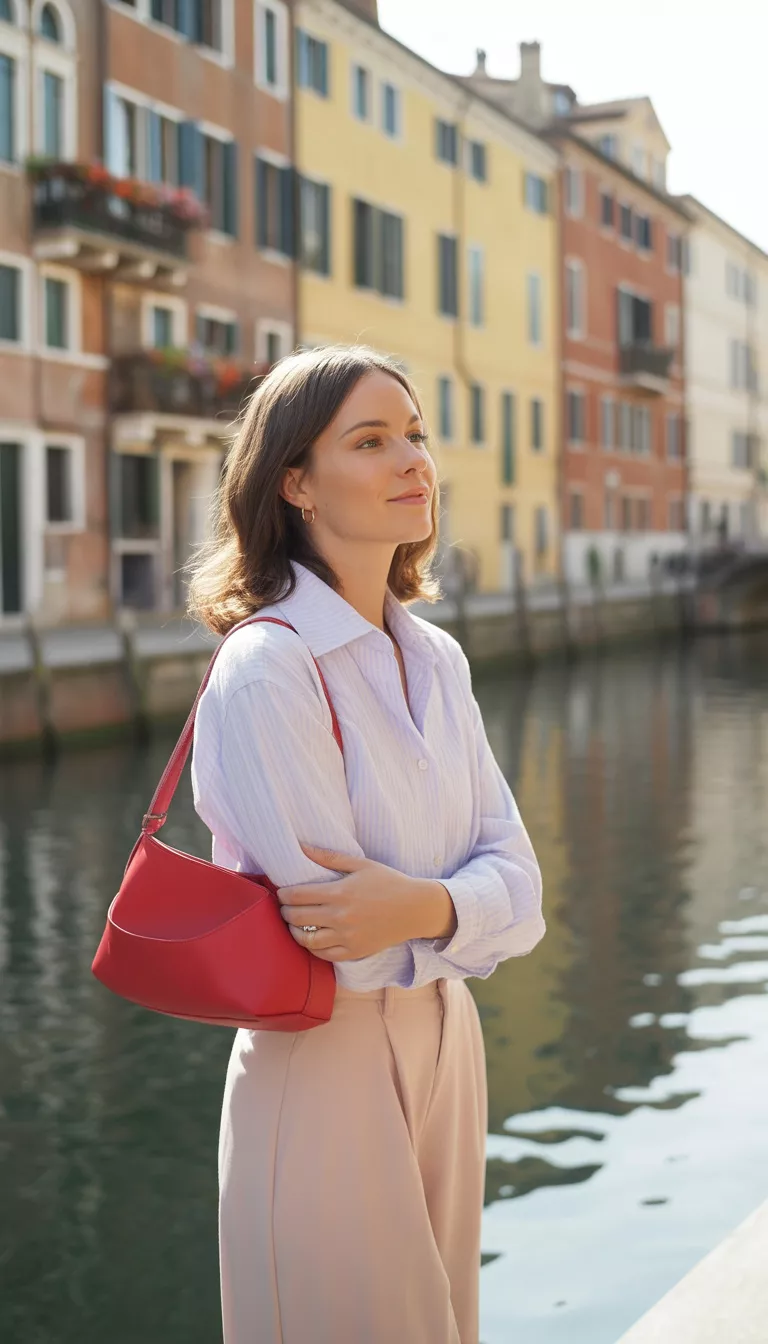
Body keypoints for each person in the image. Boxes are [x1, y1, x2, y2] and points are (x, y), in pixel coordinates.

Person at [187, 344, 545, 1344]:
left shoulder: (438, 658)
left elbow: (526, 890)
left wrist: (428, 907)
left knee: (445, 1327)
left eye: (418, 436)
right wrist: (465, 910)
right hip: (324, 1051)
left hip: (447, 1036)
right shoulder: (268, 669)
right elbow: (336, 936)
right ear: (294, 482)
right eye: (373, 440)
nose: (414, 462)